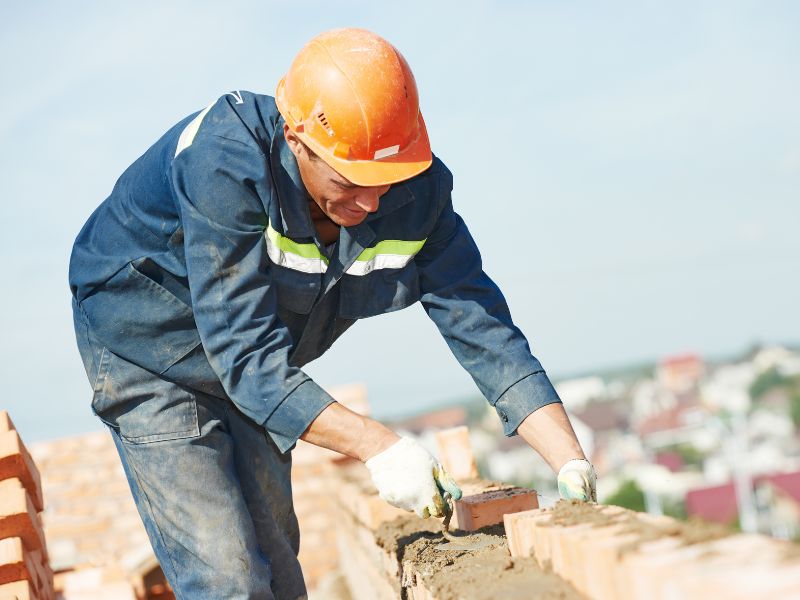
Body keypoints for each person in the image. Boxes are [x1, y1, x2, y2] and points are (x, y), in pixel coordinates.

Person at [68, 27, 596, 600]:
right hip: (147, 346)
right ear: (297, 139)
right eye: (350, 182)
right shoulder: (224, 162)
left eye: (382, 181)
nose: (371, 204)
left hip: (256, 361)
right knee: (229, 577)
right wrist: (380, 446)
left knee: (277, 566)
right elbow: (245, 359)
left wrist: (569, 460)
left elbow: (482, 326)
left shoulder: (416, 190)